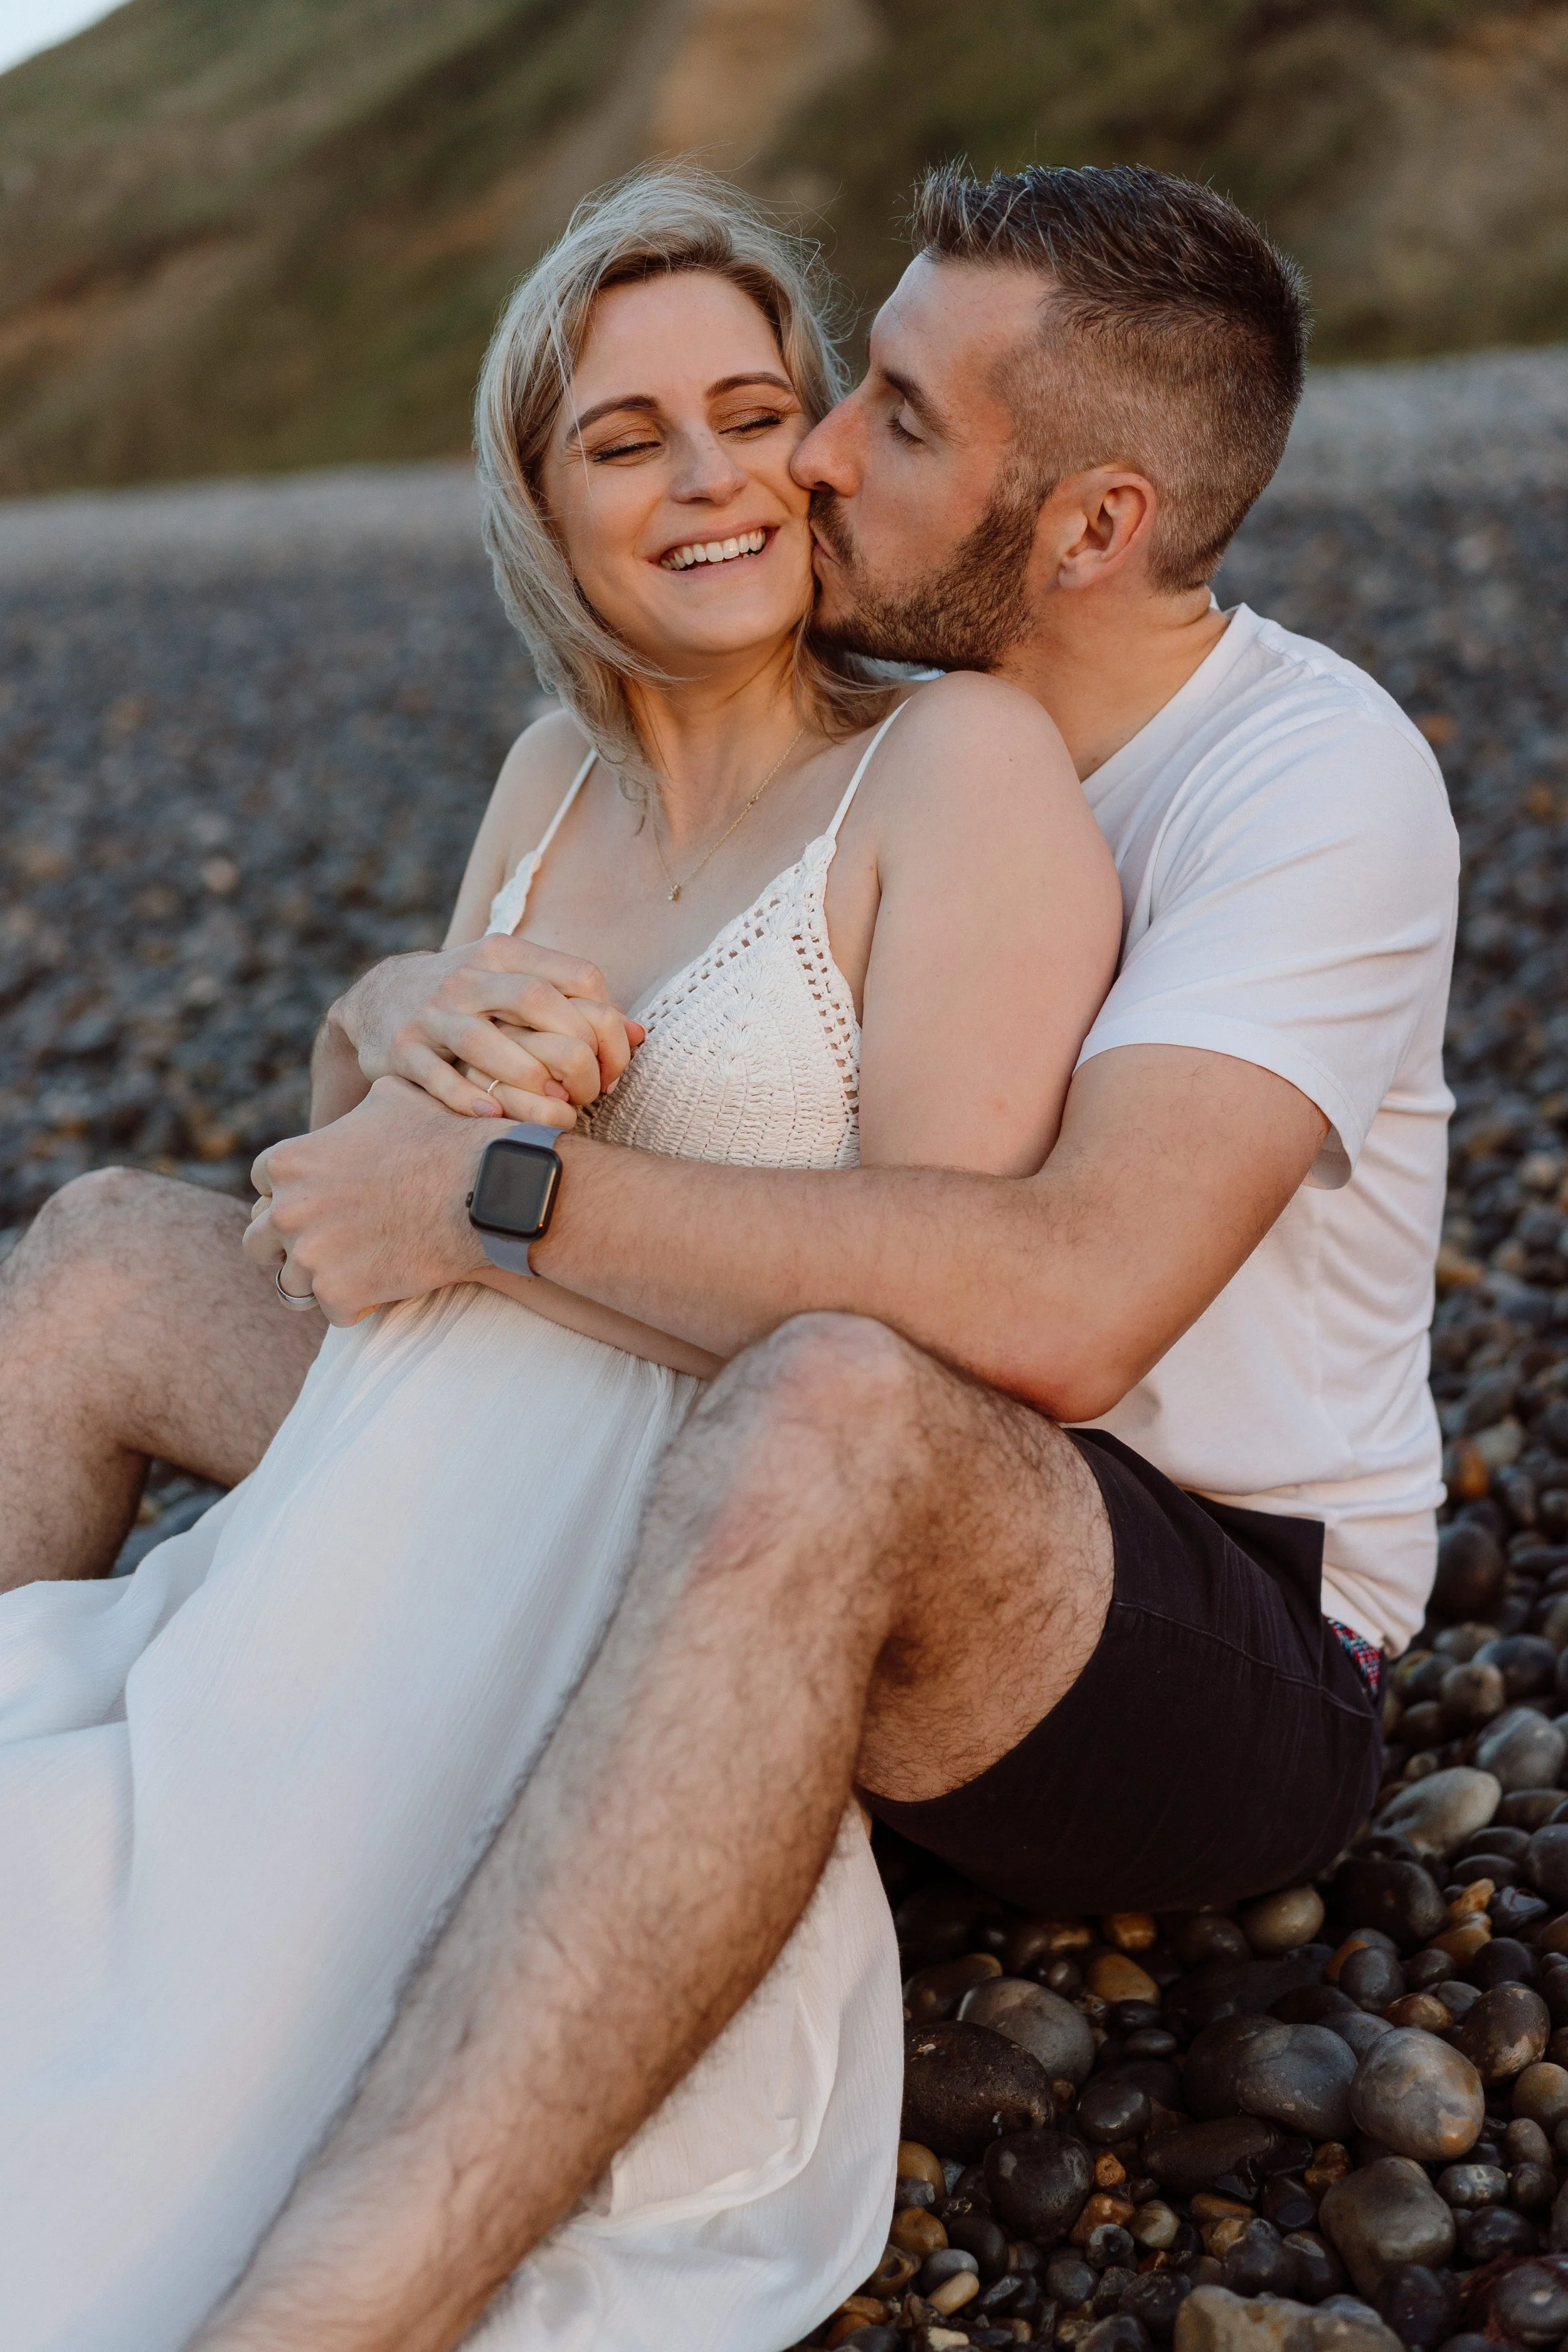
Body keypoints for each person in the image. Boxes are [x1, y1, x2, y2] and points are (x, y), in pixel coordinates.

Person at [0, 159, 1457, 2351]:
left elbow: (1041, 1308)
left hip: (1182, 1593)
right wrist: (387, 1009)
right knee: (109, 1246)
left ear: (1086, 525)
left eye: (876, 409)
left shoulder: (1293, 785)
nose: (804, 457)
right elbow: (353, 1187)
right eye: (831, 386)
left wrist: (497, 1204)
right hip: (686, 1431)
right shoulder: (693, 726)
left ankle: (326, 2310)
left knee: (833, 1398)